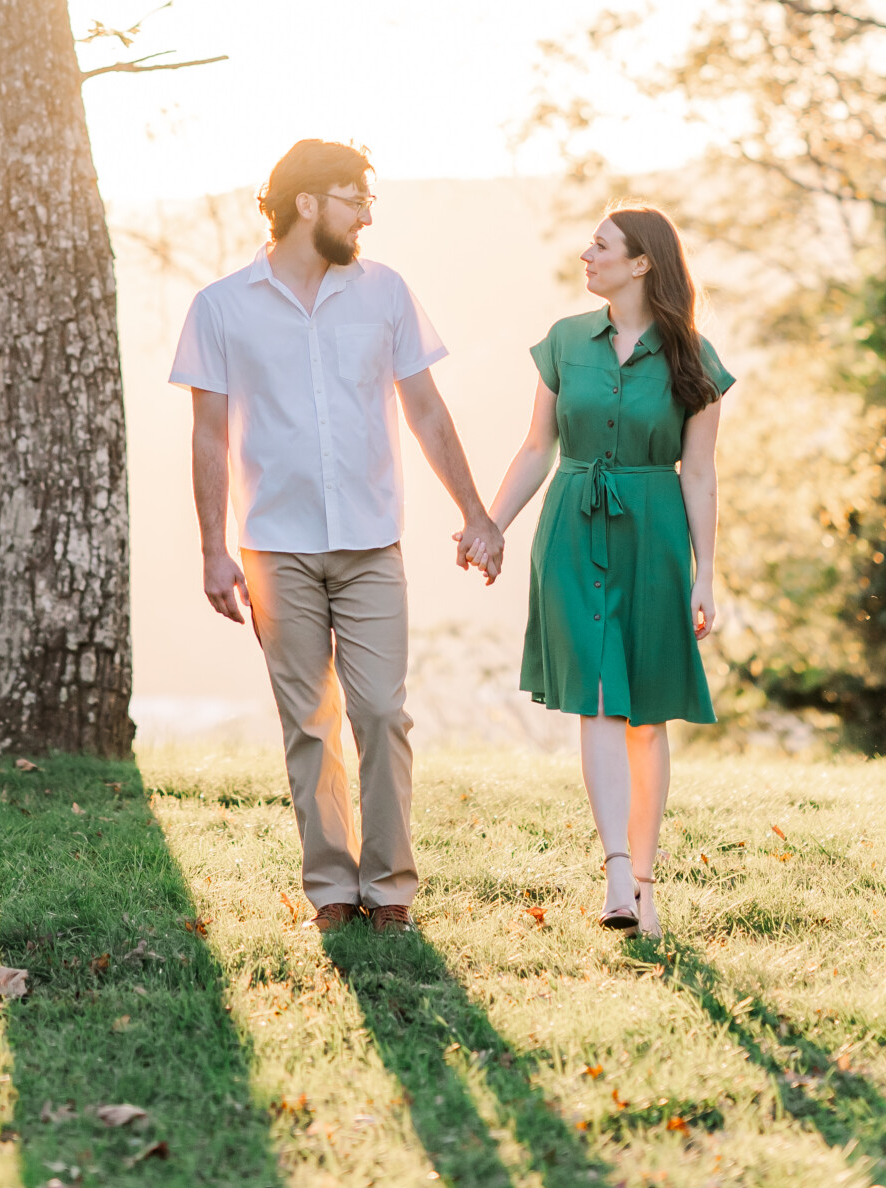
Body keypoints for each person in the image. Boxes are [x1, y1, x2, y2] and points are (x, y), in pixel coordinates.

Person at [171, 139, 504, 932]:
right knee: (308, 724)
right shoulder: (220, 306)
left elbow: (424, 409)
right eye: (354, 198)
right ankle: (331, 892)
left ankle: (389, 889)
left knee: (381, 714)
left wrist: (475, 510)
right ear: (308, 203)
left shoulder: (383, 292)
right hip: (272, 548)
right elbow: (209, 436)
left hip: (369, 545)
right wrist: (213, 550)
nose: (365, 215)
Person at [487, 206, 730, 941]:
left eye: (600, 245)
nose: (585, 254)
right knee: (597, 697)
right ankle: (616, 870)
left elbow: (700, 475)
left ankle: (645, 882)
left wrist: (705, 574)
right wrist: (489, 525)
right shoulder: (564, 342)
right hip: (570, 528)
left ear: (640, 263)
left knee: (645, 717)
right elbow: (535, 448)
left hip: (653, 534)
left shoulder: (692, 357)